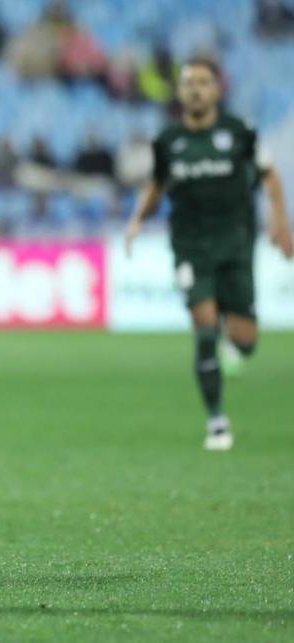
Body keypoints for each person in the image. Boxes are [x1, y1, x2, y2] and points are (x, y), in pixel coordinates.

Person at [125, 59, 293, 451]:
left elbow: (269, 175)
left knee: (246, 339)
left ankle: (232, 349)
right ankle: (217, 420)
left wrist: (280, 220)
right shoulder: (168, 141)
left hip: (235, 243)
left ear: (217, 90)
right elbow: (158, 184)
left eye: (203, 82)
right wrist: (136, 220)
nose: (196, 89)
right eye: (188, 83)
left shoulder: (240, 133)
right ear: (179, 92)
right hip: (190, 246)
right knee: (204, 328)